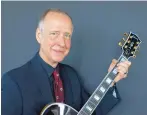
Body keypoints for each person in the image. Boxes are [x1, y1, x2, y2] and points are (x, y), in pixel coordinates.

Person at [2, 8, 131, 115]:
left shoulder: (71, 75)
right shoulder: (14, 82)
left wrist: (112, 80)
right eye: (54, 33)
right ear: (39, 35)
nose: (62, 43)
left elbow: (92, 111)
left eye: (67, 35)